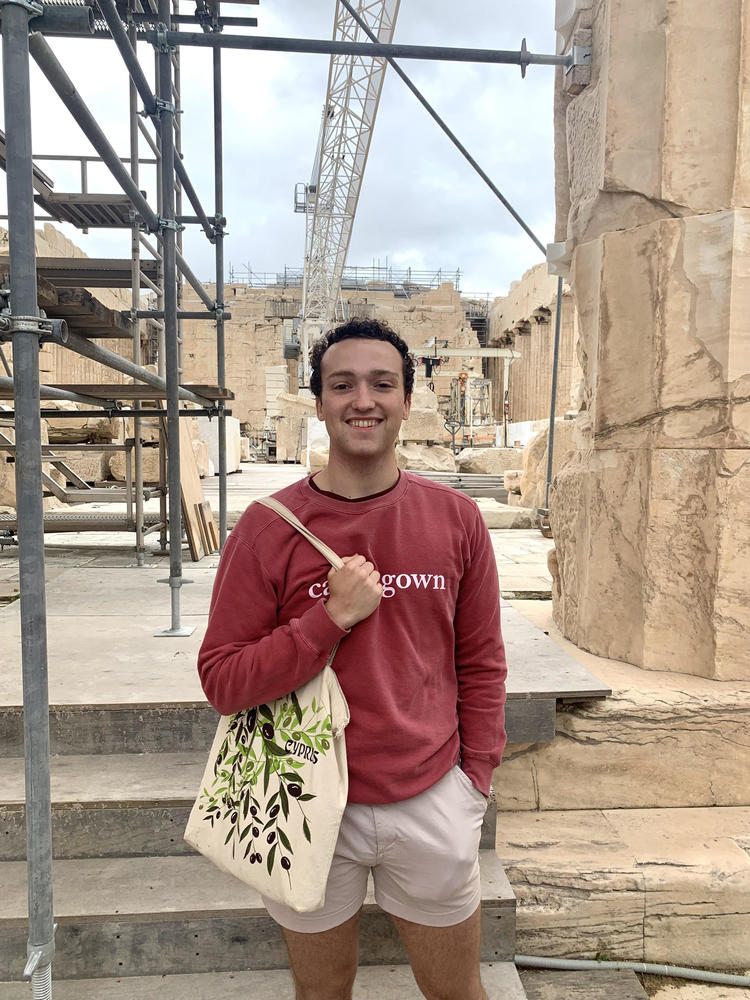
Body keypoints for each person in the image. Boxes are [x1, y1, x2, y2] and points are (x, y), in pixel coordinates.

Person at [198, 317, 507, 1000]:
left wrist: (473, 783)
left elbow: (481, 662)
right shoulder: (267, 528)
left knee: (458, 993)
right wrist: (328, 620)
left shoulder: (456, 519)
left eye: (381, 384)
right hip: (305, 801)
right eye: (342, 384)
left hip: (431, 798)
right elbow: (222, 680)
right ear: (318, 402)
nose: (362, 400)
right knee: (322, 994)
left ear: (405, 399)